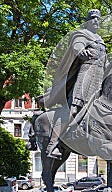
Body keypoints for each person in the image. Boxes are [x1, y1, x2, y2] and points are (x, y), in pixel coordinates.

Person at [39, 9, 107, 158]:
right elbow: (76, 46)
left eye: (98, 19)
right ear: (88, 20)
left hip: (99, 78)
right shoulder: (81, 34)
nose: (97, 21)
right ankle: (53, 144)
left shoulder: (100, 39)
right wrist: (81, 51)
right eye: (94, 18)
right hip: (85, 76)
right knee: (74, 109)